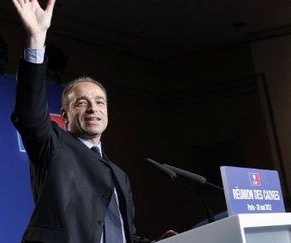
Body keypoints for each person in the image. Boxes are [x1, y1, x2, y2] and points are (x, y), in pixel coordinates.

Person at [11, 0, 177, 242]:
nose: (93, 108)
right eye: (81, 103)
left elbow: (123, 236)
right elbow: (30, 115)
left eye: (100, 102)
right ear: (65, 116)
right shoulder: (54, 147)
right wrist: (36, 39)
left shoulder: (119, 175)